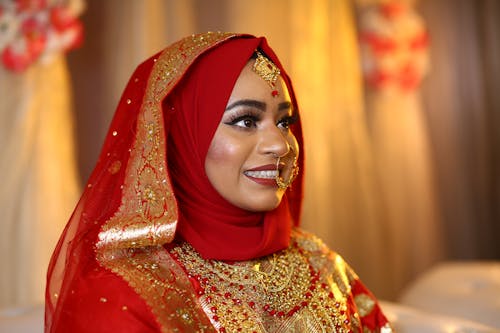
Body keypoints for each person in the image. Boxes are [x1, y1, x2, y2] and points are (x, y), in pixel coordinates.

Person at [45, 32, 392, 332]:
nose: (280, 144)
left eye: (284, 122)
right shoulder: (125, 290)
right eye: (245, 121)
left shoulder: (320, 263)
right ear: (181, 137)